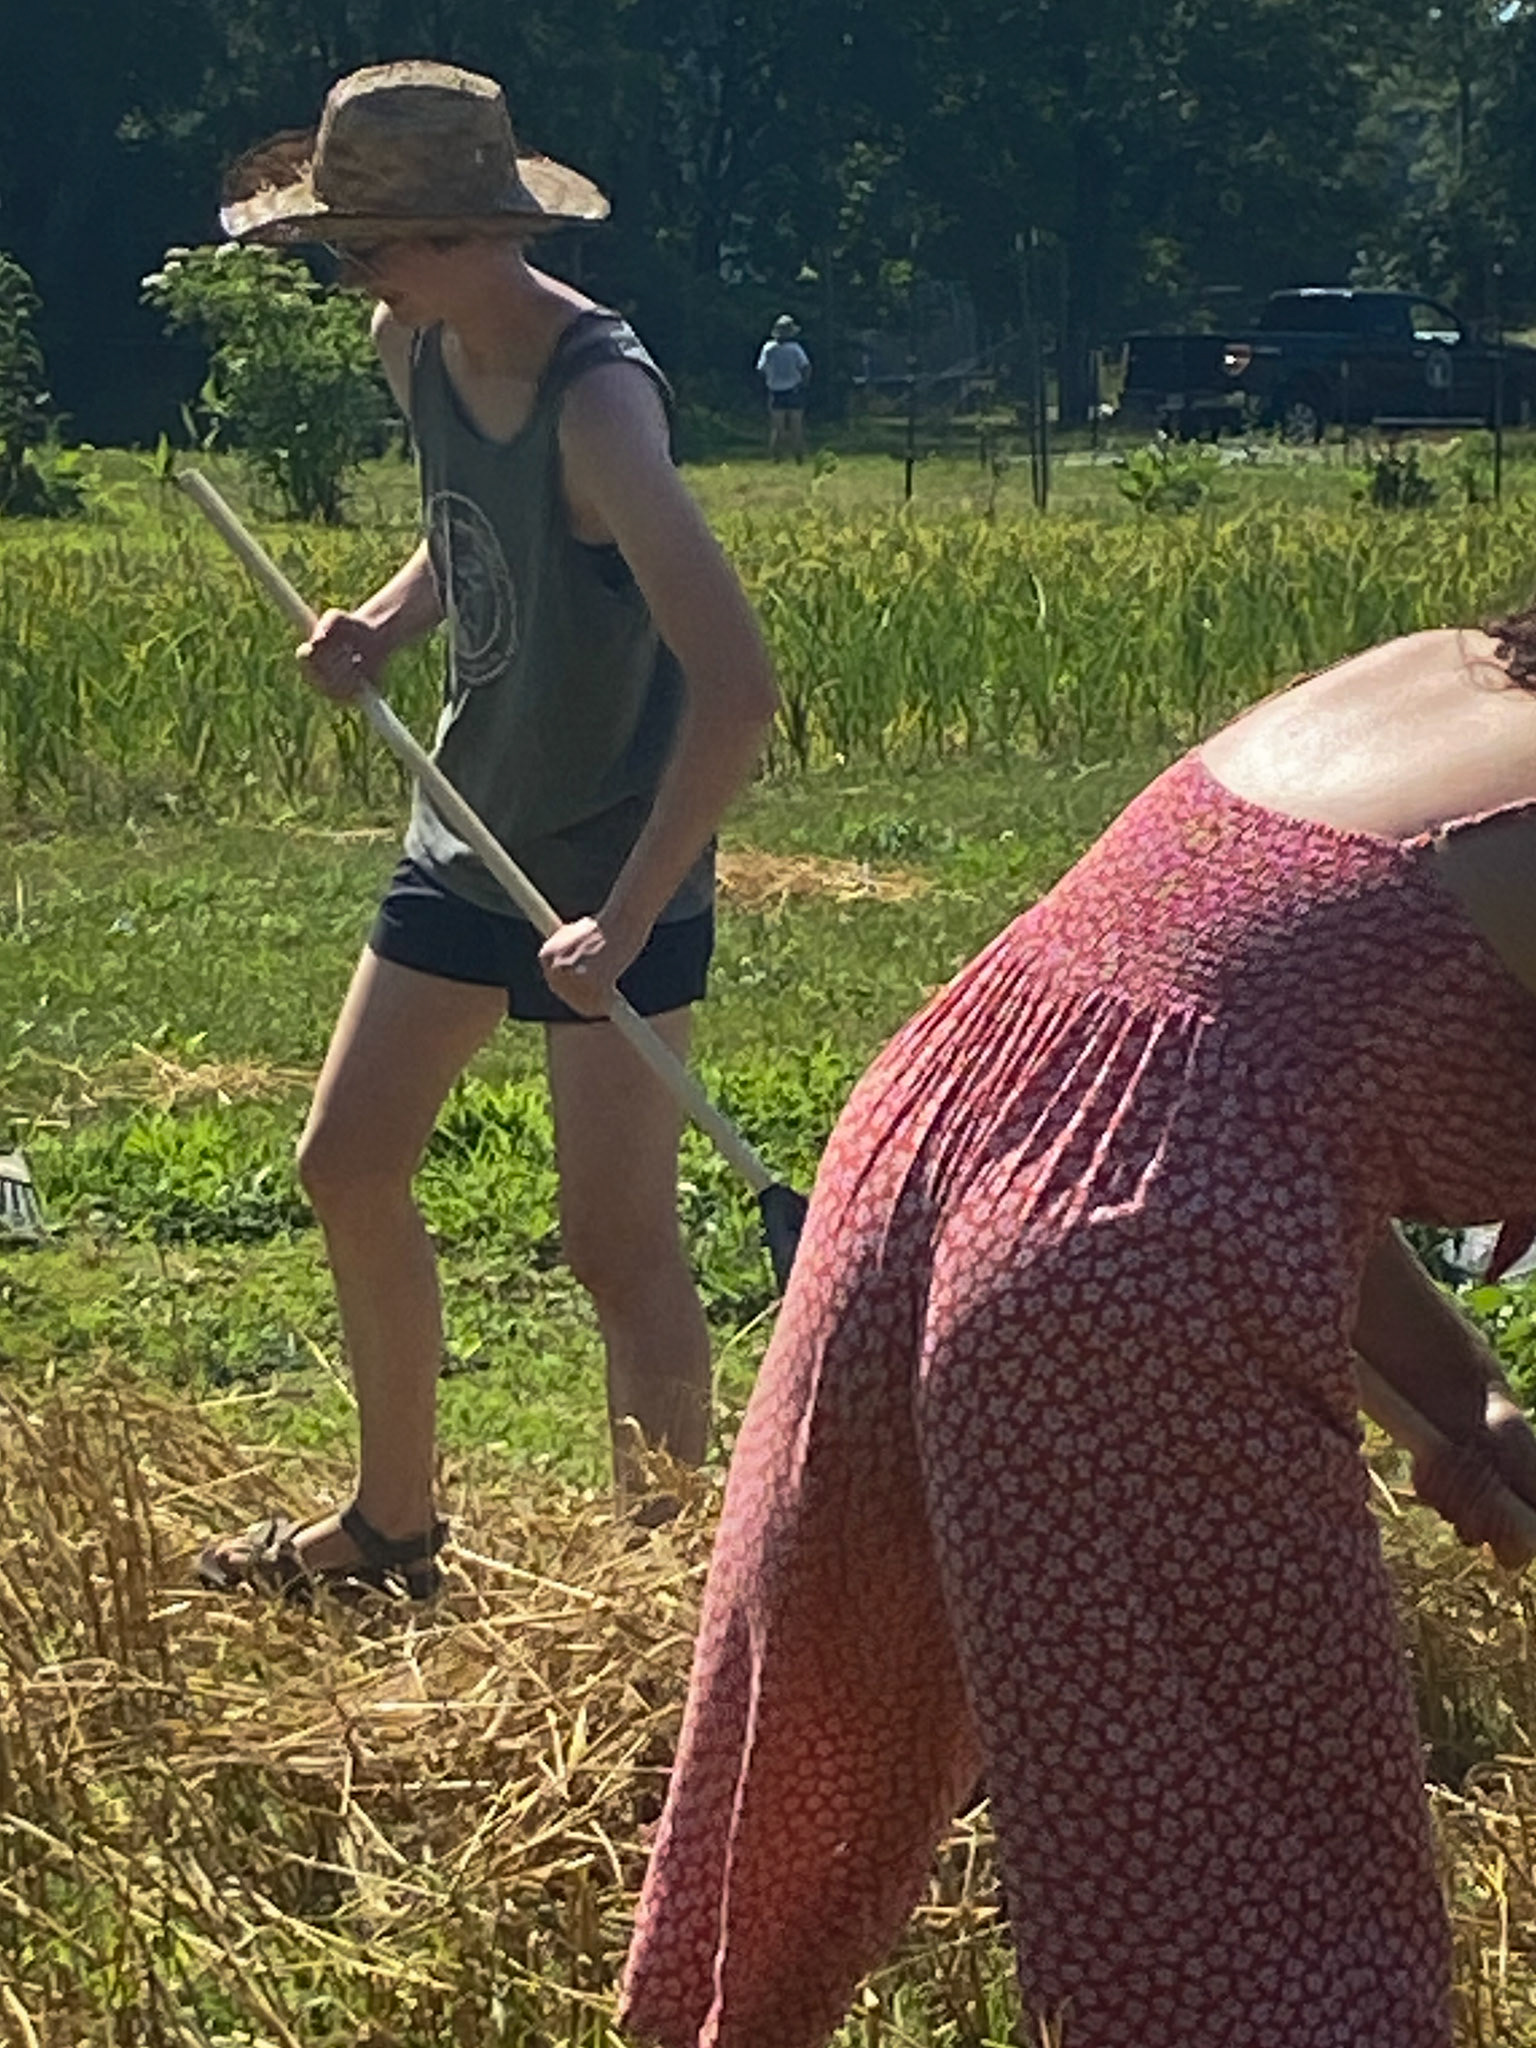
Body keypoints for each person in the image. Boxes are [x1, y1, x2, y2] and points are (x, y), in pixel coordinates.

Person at [620, 617, 1536, 2048]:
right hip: (1119, 1293)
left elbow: (1219, 1091)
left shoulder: (1450, 671)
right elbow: (1195, 1135)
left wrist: (1464, 1398)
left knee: (814, 1759)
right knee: (1260, 1905)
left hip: (926, 1150)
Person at [197, 61, 779, 1602]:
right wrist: (382, 626)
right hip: (470, 826)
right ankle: (392, 1529)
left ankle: (660, 1592)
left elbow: (736, 689)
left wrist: (631, 916)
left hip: (615, 863)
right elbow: (465, 532)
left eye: (367, 246)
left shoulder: (602, 406)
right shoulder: (415, 344)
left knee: (614, 1244)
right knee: (346, 1160)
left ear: (469, 233)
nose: (351, 277)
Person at [756, 314, 811, 462]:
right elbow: (806, 367)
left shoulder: (768, 348)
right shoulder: (795, 349)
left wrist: (769, 380)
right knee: (796, 426)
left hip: (775, 391)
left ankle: (776, 458)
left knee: (777, 428)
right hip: (794, 390)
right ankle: (799, 457)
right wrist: (804, 383)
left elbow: (760, 369)